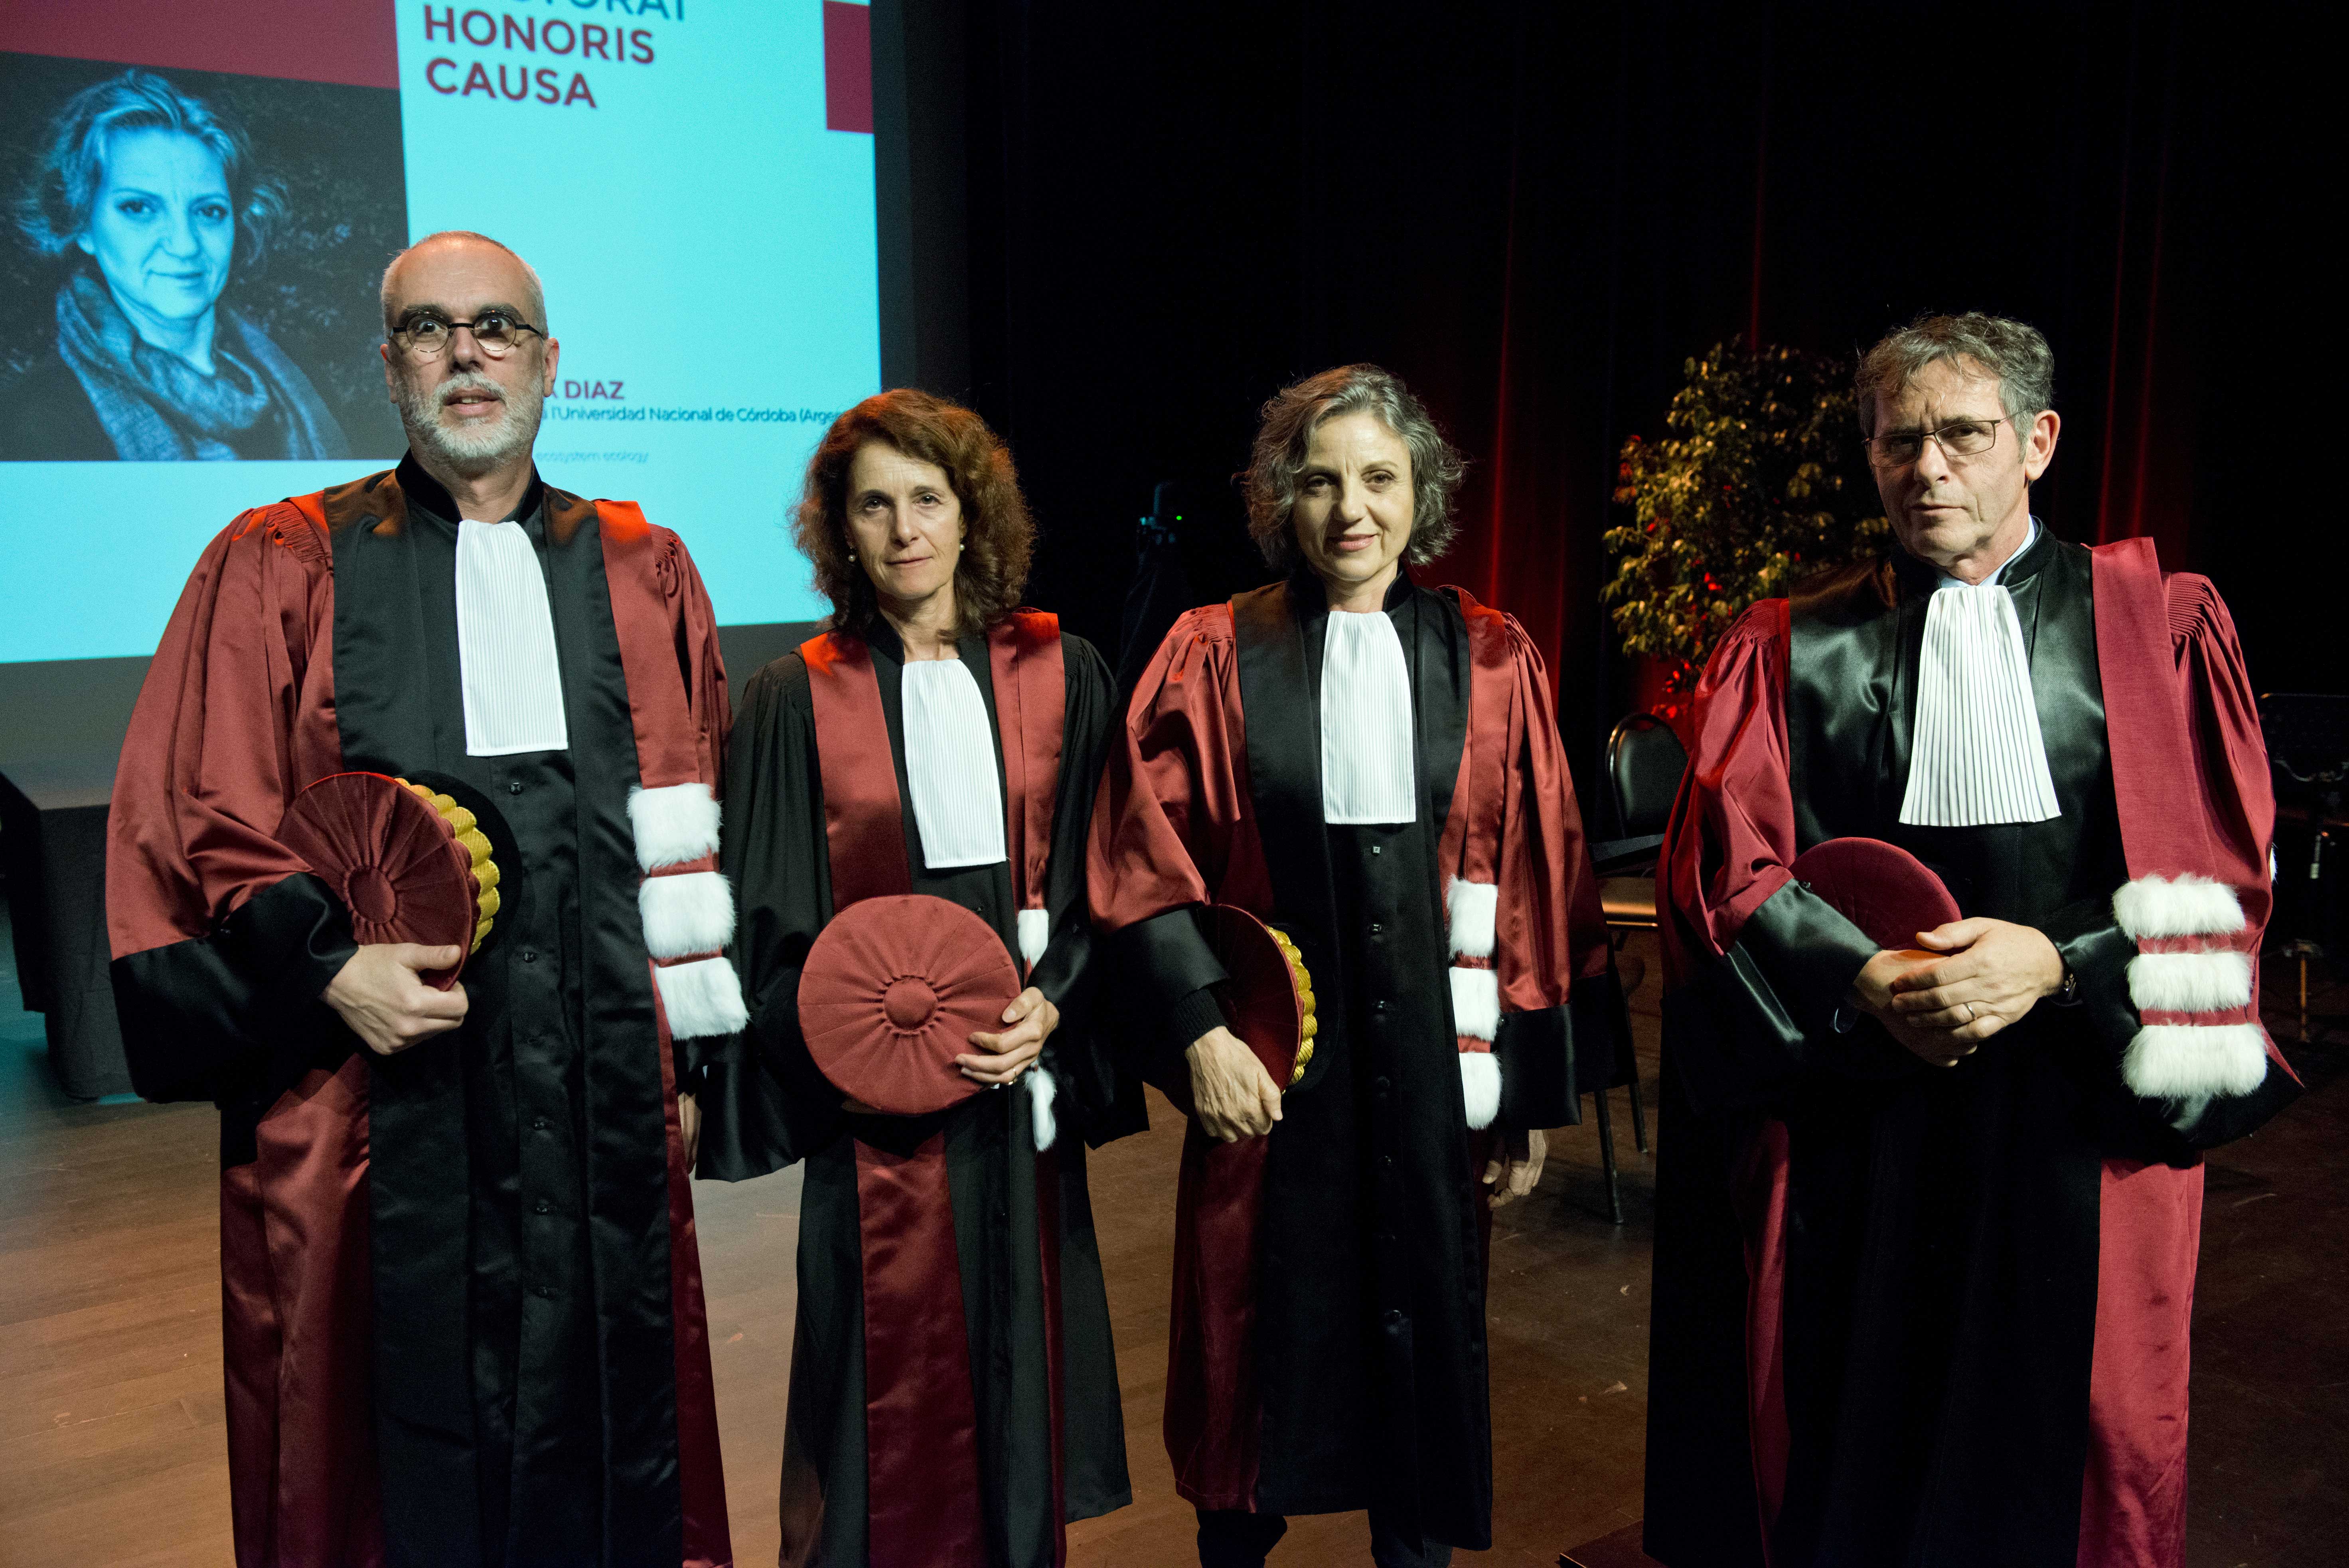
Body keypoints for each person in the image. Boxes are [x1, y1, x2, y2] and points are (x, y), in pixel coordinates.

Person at [106, 229, 737, 1568]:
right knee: (384, 1452)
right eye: (430, 330)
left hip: (592, 1091)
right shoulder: (282, 560)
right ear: (387, 364)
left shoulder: (644, 571)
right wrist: (328, 969)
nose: (467, 354)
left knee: (603, 1418)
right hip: (377, 1097)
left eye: (496, 327)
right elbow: (202, 806)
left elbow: (688, 826)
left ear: (549, 363)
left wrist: (688, 1060)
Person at [1643, 312, 2299, 1568]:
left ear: (2037, 442)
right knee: (1854, 1421)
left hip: (2077, 1101)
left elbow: (2221, 864)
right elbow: (1726, 872)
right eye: (1900, 441)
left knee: (2079, 1443)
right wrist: (1864, 973)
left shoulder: (2155, 625)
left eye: (1962, 435)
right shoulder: (1791, 644)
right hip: (1863, 1108)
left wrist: (2059, 964)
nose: (1926, 468)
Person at [1088, 363, 1620, 1566]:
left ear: (1419, 491)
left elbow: (1540, 873)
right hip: (1271, 1070)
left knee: (1420, 1346)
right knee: (1248, 1341)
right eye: (1321, 481)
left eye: (1378, 479)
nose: (1351, 510)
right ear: (1284, 495)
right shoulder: (1212, 651)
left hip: (1434, 1073)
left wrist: (1523, 1094)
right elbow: (1136, 853)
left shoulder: (1490, 659)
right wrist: (1199, 1031)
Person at [699, 389, 1138, 1568]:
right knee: (873, 1387)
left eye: (928, 500)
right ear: (841, 531)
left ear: (971, 515)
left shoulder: (1062, 670)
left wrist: (1057, 1001)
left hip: (1021, 1092)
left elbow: (1112, 870)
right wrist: (863, 1046)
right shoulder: (799, 698)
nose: (905, 529)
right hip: (877, 1119)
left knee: (1020, 1358)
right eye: (874, 504)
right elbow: (771, 931)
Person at [2, 67, 349, 461]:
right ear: (82, 224)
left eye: (209, 212)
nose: (185, 245)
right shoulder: (35, 419)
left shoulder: (301, 373)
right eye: (139, 208)